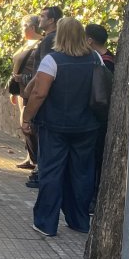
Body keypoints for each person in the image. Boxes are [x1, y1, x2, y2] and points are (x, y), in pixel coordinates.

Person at [19, 17, 105, 236]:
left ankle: (46, 223)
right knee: (82, 174)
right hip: (87, 126)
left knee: (51, 172)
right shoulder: (95, 58)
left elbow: (39, 93)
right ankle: (79, 220)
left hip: (54, 126)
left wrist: (27, 118)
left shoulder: (52, 60)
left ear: (60, 36)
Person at [22, 6, 62, 189]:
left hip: (41, 91)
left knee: (37, 131)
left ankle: (40, 170)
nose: (39, 19)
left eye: (43, 16)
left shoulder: (48, 41)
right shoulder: (50, 39)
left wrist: (30, 88)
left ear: (52, 20)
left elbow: (43, 70)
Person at [85, 22, 116, 203]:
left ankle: (94, 197)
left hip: (99, 118)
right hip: (100, 117)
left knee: (96, 159)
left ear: (89, 41)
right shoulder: (109, 59)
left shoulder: (103, 63)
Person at [8, 14, 42, 171]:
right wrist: (14, 90)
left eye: (24, 26)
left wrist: (23, 78)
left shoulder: (40, 45)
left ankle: (36, 161)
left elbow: (39, 73)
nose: (21, 29)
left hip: (30, 90)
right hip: (21, 90)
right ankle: (30, 157)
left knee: (28, 125)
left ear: (33, 27)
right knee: (24, 124)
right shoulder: (27, 44)